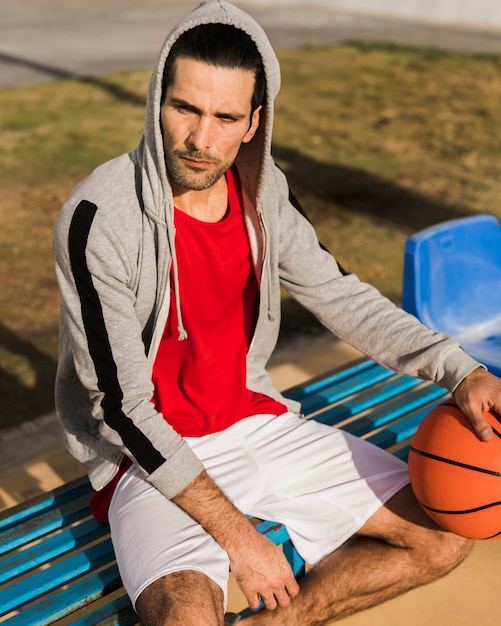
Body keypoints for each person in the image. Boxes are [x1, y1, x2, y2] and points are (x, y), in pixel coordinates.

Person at [53, 2, 501, 625]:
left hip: (253, 420)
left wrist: (460, 370)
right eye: (185, 108)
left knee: (444, 536)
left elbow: (341, 296)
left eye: (225, 117)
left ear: (253, 122)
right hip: (150, 453)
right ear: (158, 99)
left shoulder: (263, 195)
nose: (200, 140)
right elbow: (124, 407)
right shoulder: (100, 218)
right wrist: (241, 539)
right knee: (186, 618)